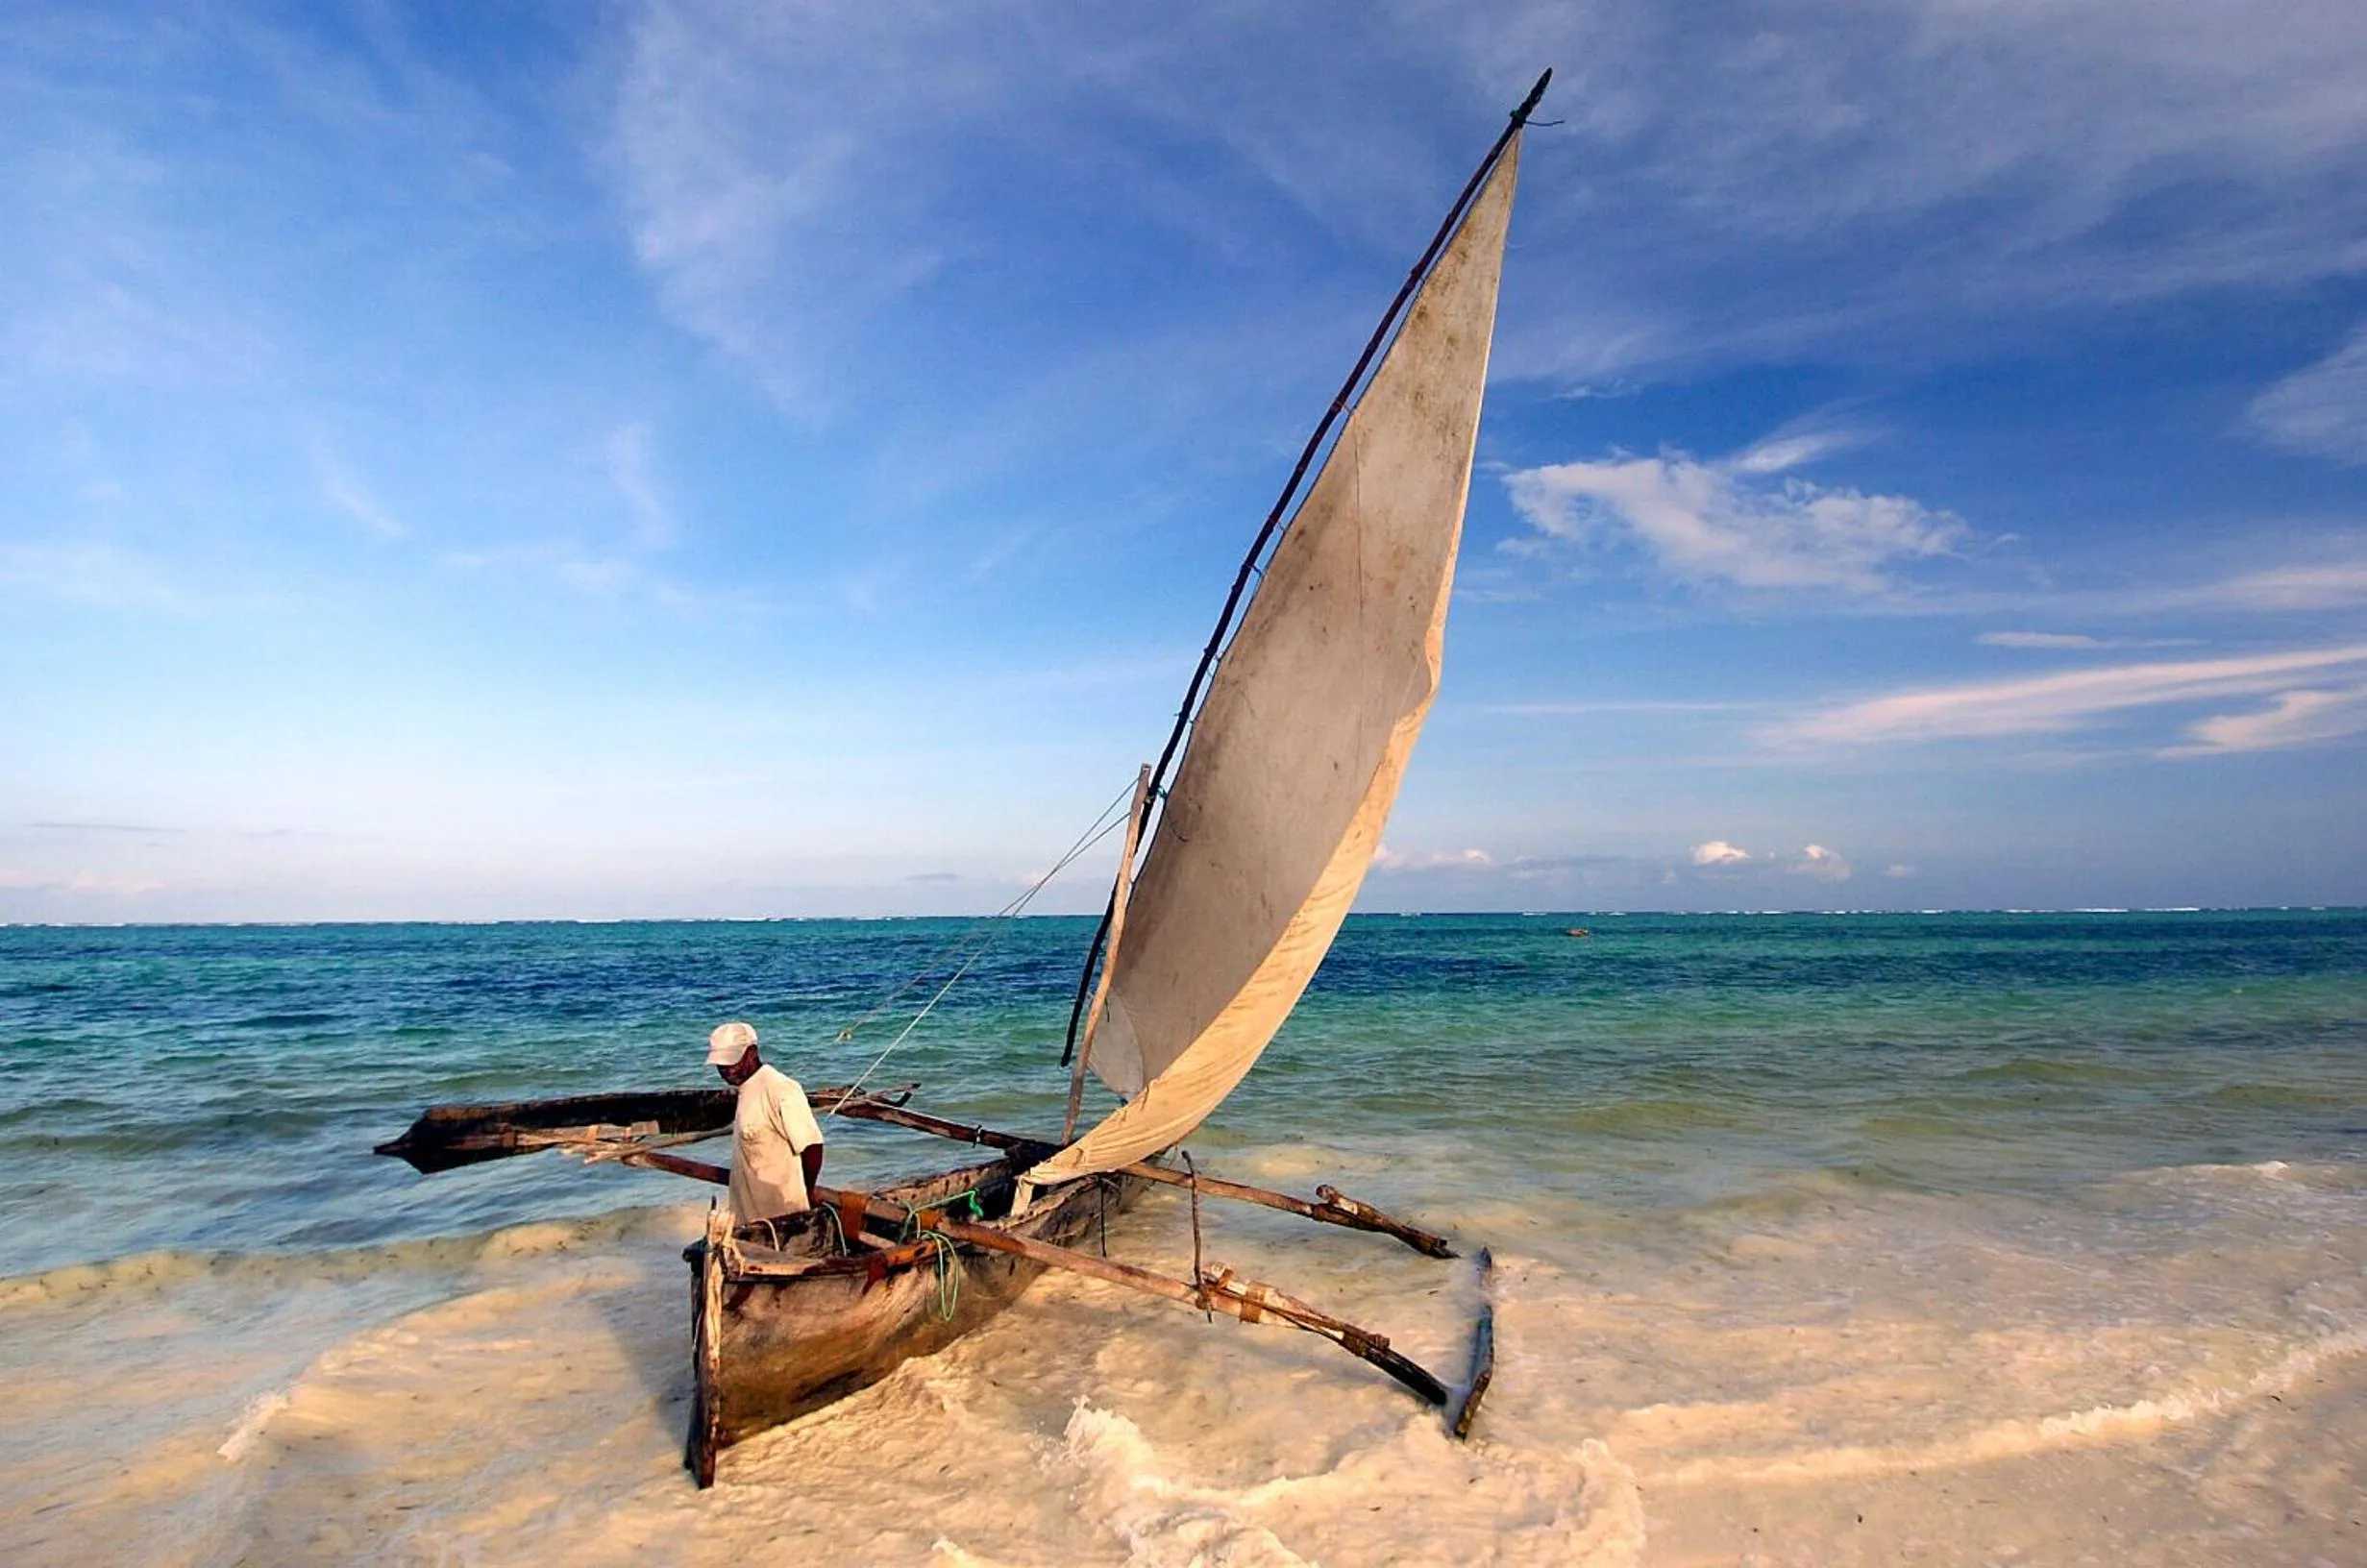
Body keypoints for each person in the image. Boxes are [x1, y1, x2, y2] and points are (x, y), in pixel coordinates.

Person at [705, 1020, 825, 1224]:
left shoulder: (779, 1089)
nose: (725, 1070)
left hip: (781, 1217)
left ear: (752, 1053)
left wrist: (808, 1192)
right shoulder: (745, 1089)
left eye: (731, 1062)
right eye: (720, 1064)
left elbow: (812, 1146)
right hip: (748, 1215)